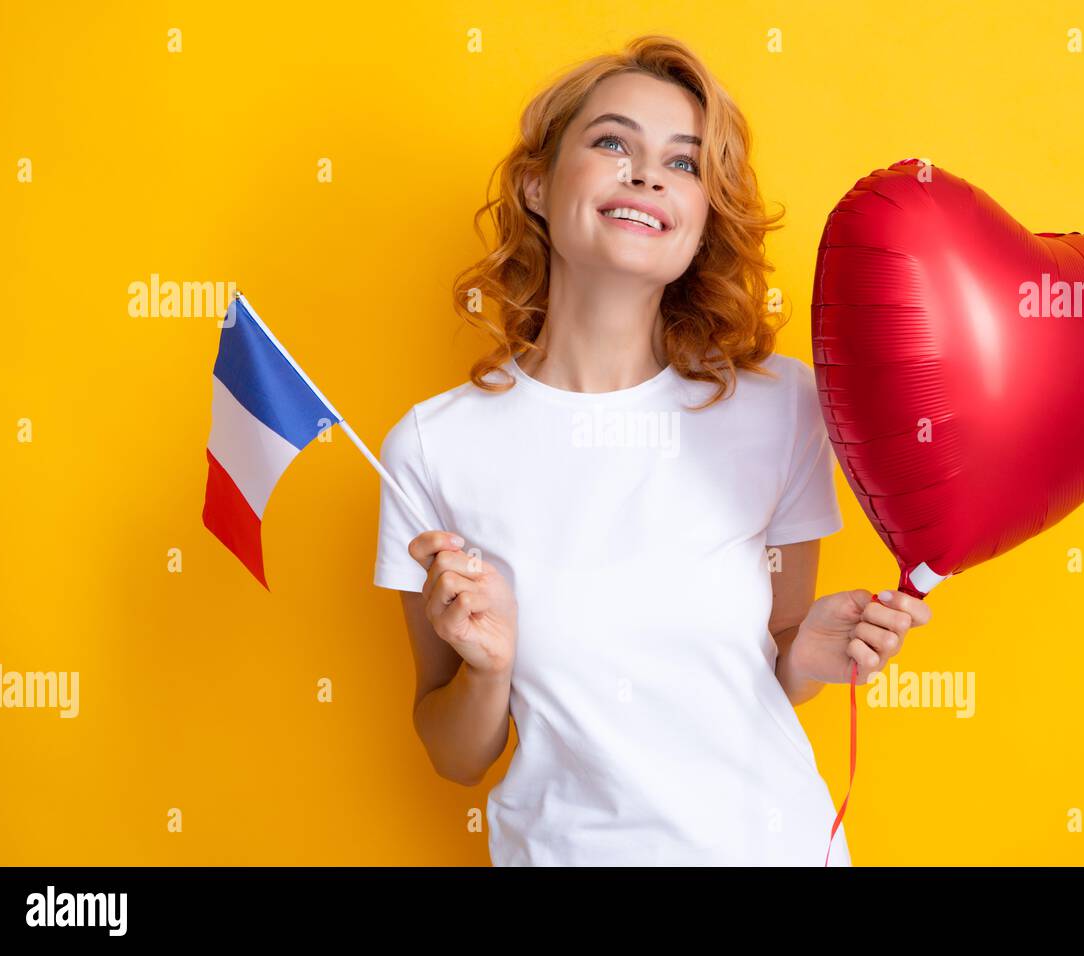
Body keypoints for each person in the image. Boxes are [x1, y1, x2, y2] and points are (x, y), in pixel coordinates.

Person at [374, 34, 932, 866]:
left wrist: (806, 656)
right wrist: (489, 671)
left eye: (684, 163)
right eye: (611, 143)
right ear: (536, 184)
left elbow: (771, 661)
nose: (646, 176)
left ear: (703, 215)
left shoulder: (780, 407)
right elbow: (453, 756)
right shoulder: (433, 446)